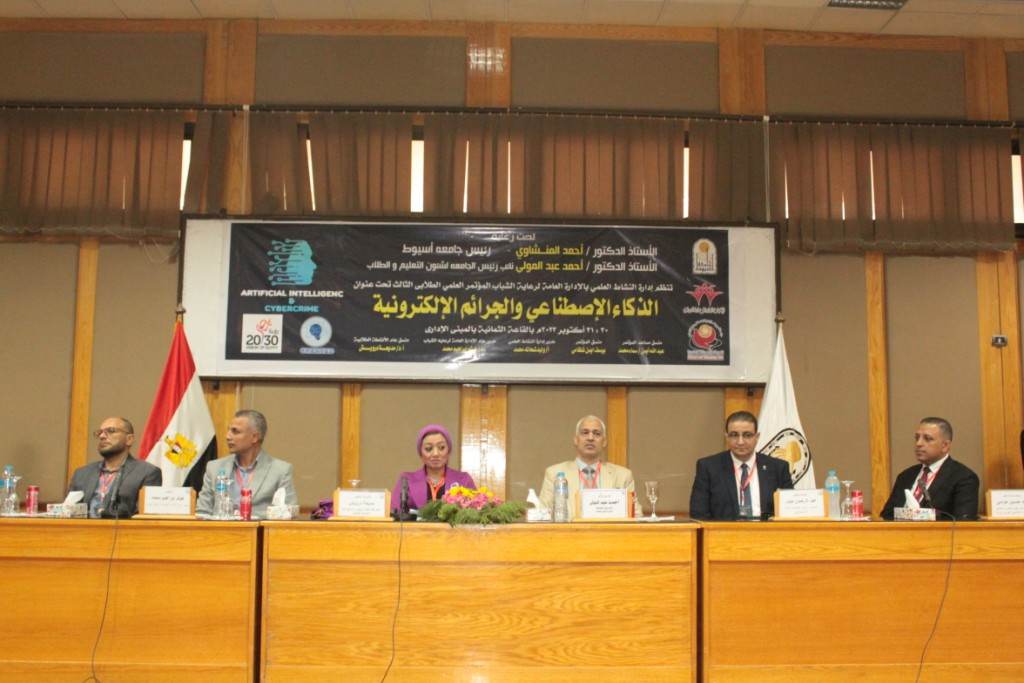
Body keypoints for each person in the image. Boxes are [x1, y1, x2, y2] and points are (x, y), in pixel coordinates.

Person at [689, 410, 793, 520]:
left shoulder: (778, 468)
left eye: (747, 435)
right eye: (734, 435)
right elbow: (698, 514)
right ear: (727, 437)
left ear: (757, 437)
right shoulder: (709, 467)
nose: (740, 442)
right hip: (724, 531)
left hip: (767, 530)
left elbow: (790, 512)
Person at [196, 409, 297, 519]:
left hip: (259, 529)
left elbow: (289, 514)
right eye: (229, 430)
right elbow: (202, 513)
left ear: (255, 437)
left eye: (235, 431)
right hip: (219, 530)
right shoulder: (214, 468)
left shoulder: (280, 471)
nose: (228, 436)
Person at [880, 417, 979, 520]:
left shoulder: (964, 478)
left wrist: (923, 516)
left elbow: (963, 521)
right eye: (917, 438)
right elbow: (887, 514)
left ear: (945, 445)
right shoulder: (905, 476)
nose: (918, 444)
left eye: (927, 439)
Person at [538, 415, 635, 517]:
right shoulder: (554, 473)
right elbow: (542, 514)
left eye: (597, 434)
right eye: (585, 433)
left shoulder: (623, 476)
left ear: (604, 442)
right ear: (576, 440)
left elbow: (635, 516)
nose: (590, 438)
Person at [68, 417, 162, 518]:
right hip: (82, 528)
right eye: (100, 432)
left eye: (111, 431)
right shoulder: (82, 474)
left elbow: (145, 517)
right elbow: (68, 511)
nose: (102, 436)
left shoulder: (147, 473)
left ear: (129, 439)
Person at [391, 424, 476, 512]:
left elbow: (474, 514)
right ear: (420, 453)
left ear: (448, 451)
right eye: (428, 448)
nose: (435, 454)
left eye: (441, 448)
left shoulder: (464, 480)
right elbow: (394, 513)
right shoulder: (406, 480)